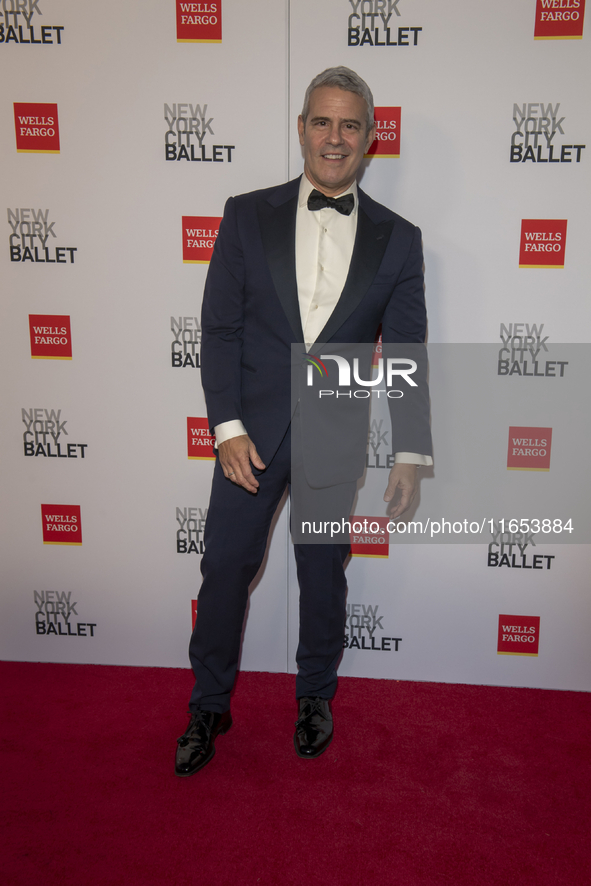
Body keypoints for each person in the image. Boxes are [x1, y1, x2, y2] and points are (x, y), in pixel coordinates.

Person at [175, 66, 433, 777]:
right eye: (321, 121)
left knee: (322, 573)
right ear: (300, 129)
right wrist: (226, 429)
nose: (334, 137)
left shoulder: (398, 239)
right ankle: (208, 704)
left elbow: (405, 349)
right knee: (225, 567)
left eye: (350, 124)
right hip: (247, 437)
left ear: (371, 138)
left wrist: (410, 449)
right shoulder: (243, 213)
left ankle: (314, 695)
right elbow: (218, 329)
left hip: (333, 432)